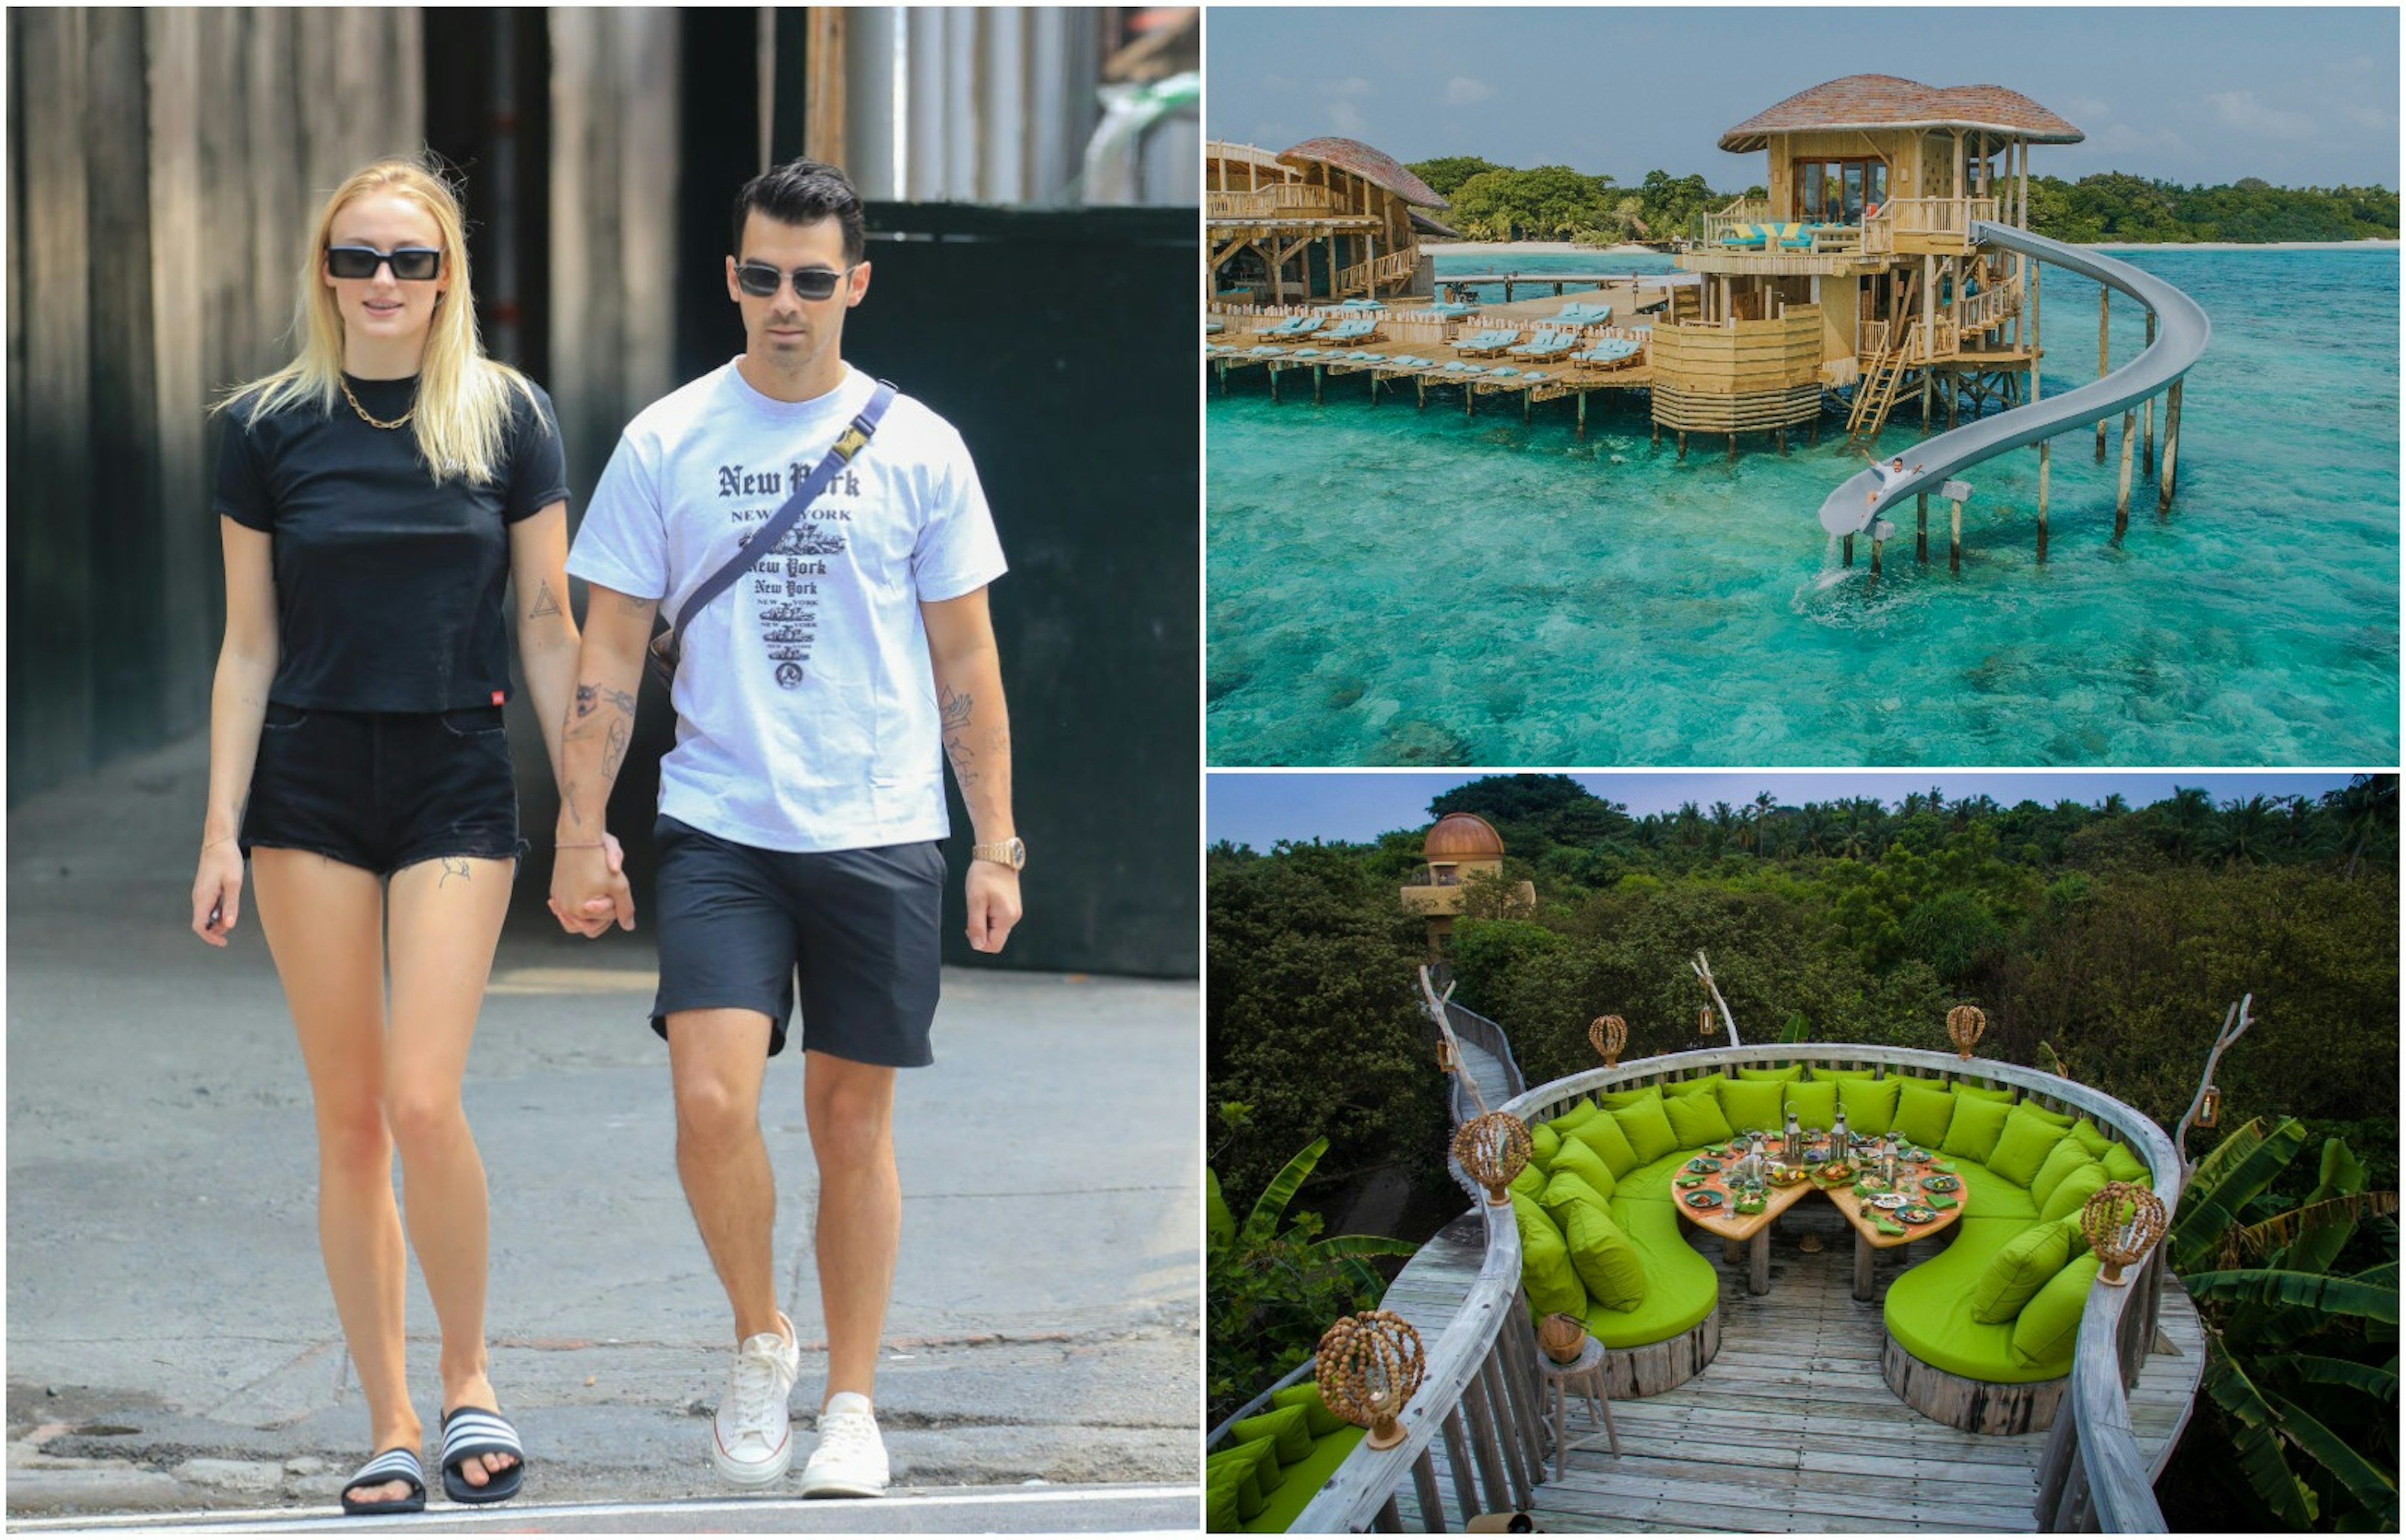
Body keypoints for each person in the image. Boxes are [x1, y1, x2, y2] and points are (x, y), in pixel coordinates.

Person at [548, 158, 1023, 1497]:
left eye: (815, 280)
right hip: (719, 822)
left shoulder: (922, 446)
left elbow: (968, 665)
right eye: (763, 276)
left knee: (849, 1124)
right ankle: (764, 1333)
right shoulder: (666, 441)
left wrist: (996, 839)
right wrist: (586, 825)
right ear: (733, 279)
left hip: (878, 826)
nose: (787, 303)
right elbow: (609, 646)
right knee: (711, 1098)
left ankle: (855, 1402)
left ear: (856, 285)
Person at [190, 157, 582, 1515]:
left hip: (455, 776)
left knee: (423, 1097)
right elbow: (247, 646)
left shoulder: (509, 419)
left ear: (447, 276)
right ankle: (394, 1415)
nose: (383, 283)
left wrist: (587, 811)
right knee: (351, 1119)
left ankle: (471, 1372)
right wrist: (219, 829)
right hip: (305, 786)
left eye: (411, 261)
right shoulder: (264, 427)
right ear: (324, 271)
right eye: (358, 258)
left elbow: (546, 621)